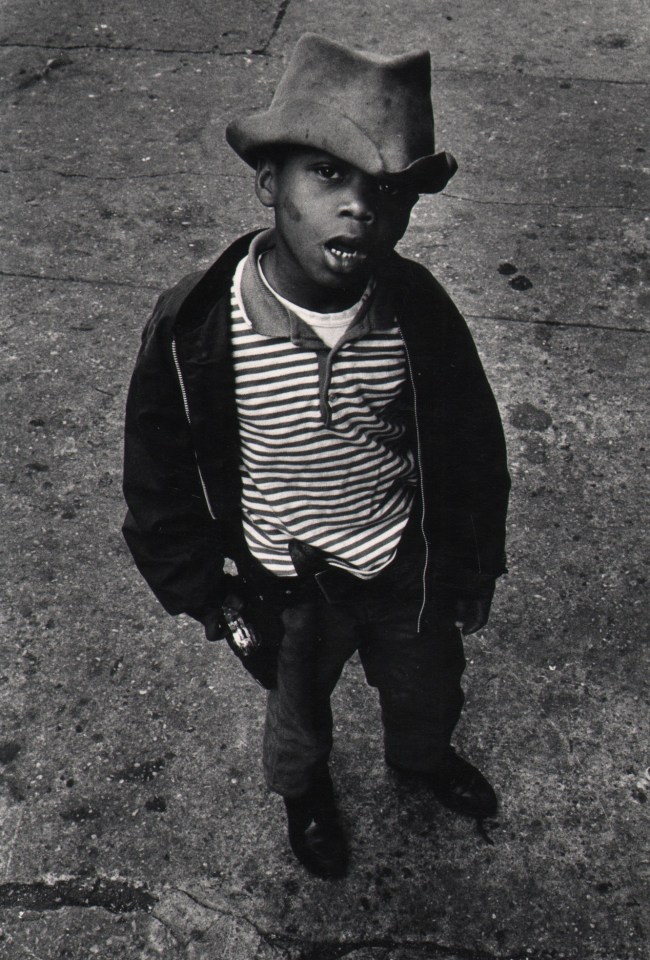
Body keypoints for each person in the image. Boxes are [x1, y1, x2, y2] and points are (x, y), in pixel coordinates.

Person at [122, 33, 510, 879]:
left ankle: (421, 759)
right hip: (285, 578)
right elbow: (157, 475)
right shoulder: (199, 326)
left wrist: (473, 563)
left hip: (401, 562)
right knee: (296, 712)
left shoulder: (415, 311)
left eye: (388, 190)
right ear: (269, 181)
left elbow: (472, 445)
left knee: (428, 687)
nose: (360, 208)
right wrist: (209, 595)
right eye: (328, 174)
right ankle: (306, 795)